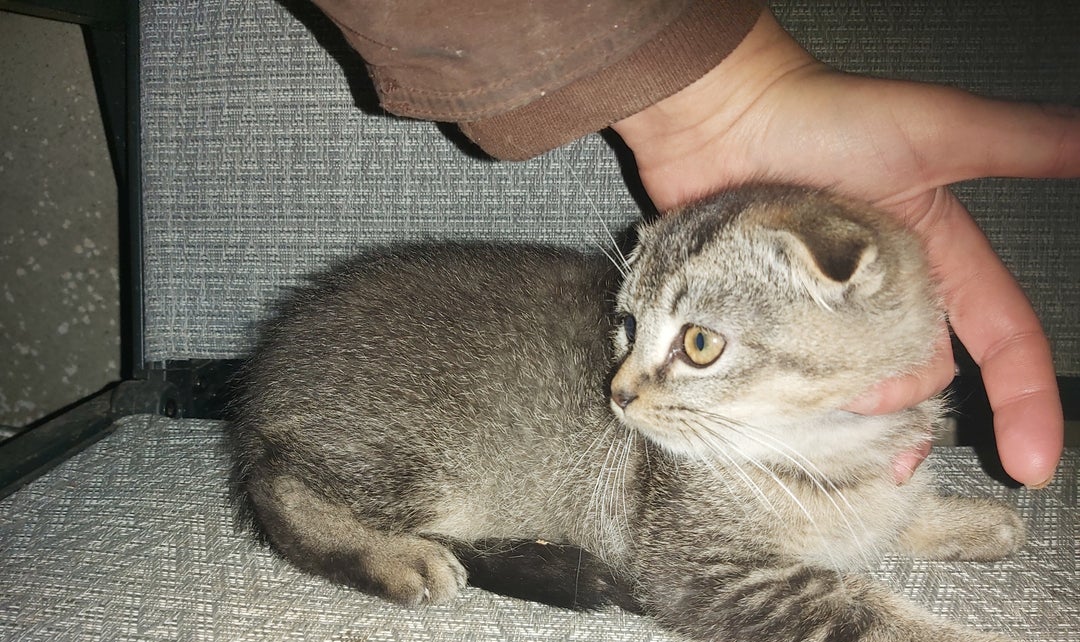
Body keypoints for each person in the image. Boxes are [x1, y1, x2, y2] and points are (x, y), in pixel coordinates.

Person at [310, 0, 1078, 488]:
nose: (622, 388)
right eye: (633, 334)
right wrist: (720, 100)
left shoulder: (829, 273)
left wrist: (722, 97)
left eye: (699, 343)